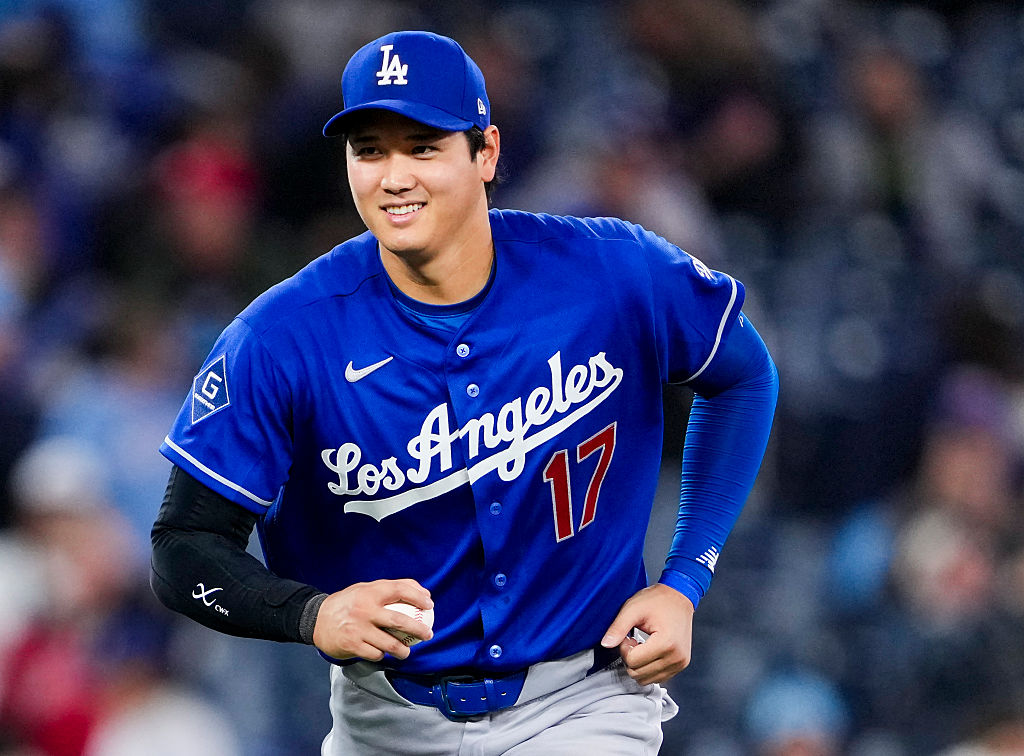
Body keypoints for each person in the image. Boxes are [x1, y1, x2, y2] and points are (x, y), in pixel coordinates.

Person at [150, 30, 778, 755]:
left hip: (583, 702)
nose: (393, 177)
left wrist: (685, 579)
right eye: (369, 151)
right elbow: (183, 547)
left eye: (423, 148)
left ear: (486, 153)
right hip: (384, 719)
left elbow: (745, 375)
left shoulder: (611, 272)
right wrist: (311, 614)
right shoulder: (282, 336)